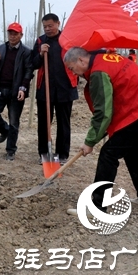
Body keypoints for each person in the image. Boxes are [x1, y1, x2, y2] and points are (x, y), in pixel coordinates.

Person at [63, 47, 138, 215]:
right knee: (131, 153)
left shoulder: (98, 71)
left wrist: (90, 142)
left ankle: (97, 208)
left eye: (72, 68)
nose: (73, 73)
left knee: (108, 154)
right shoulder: (104, 60)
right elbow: (109, 110)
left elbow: (103, 112)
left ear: (82, 60)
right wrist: (96, 136)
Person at [31, 13, 78, 165]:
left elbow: (78, 60)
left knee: (64, 123)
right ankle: (44, 153)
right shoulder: (40, 41)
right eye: (45, 26)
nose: (48, 29)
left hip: (65, 88)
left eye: (50, 26)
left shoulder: (68, 39)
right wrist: (40, 53)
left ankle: (62, 154)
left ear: (58, 23)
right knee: (44, 123)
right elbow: (33, 63)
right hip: (45, 89)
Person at [0, 23, 33, 161]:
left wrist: (23, 88)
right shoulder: (2, 47)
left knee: (14, 122)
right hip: (0, 89)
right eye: (10, 33)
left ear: (21, 35)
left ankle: (10, 150)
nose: (12, 36)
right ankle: (5, 130)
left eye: (15, 34)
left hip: (16, 91)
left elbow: (28, 71)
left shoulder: (26, 52)